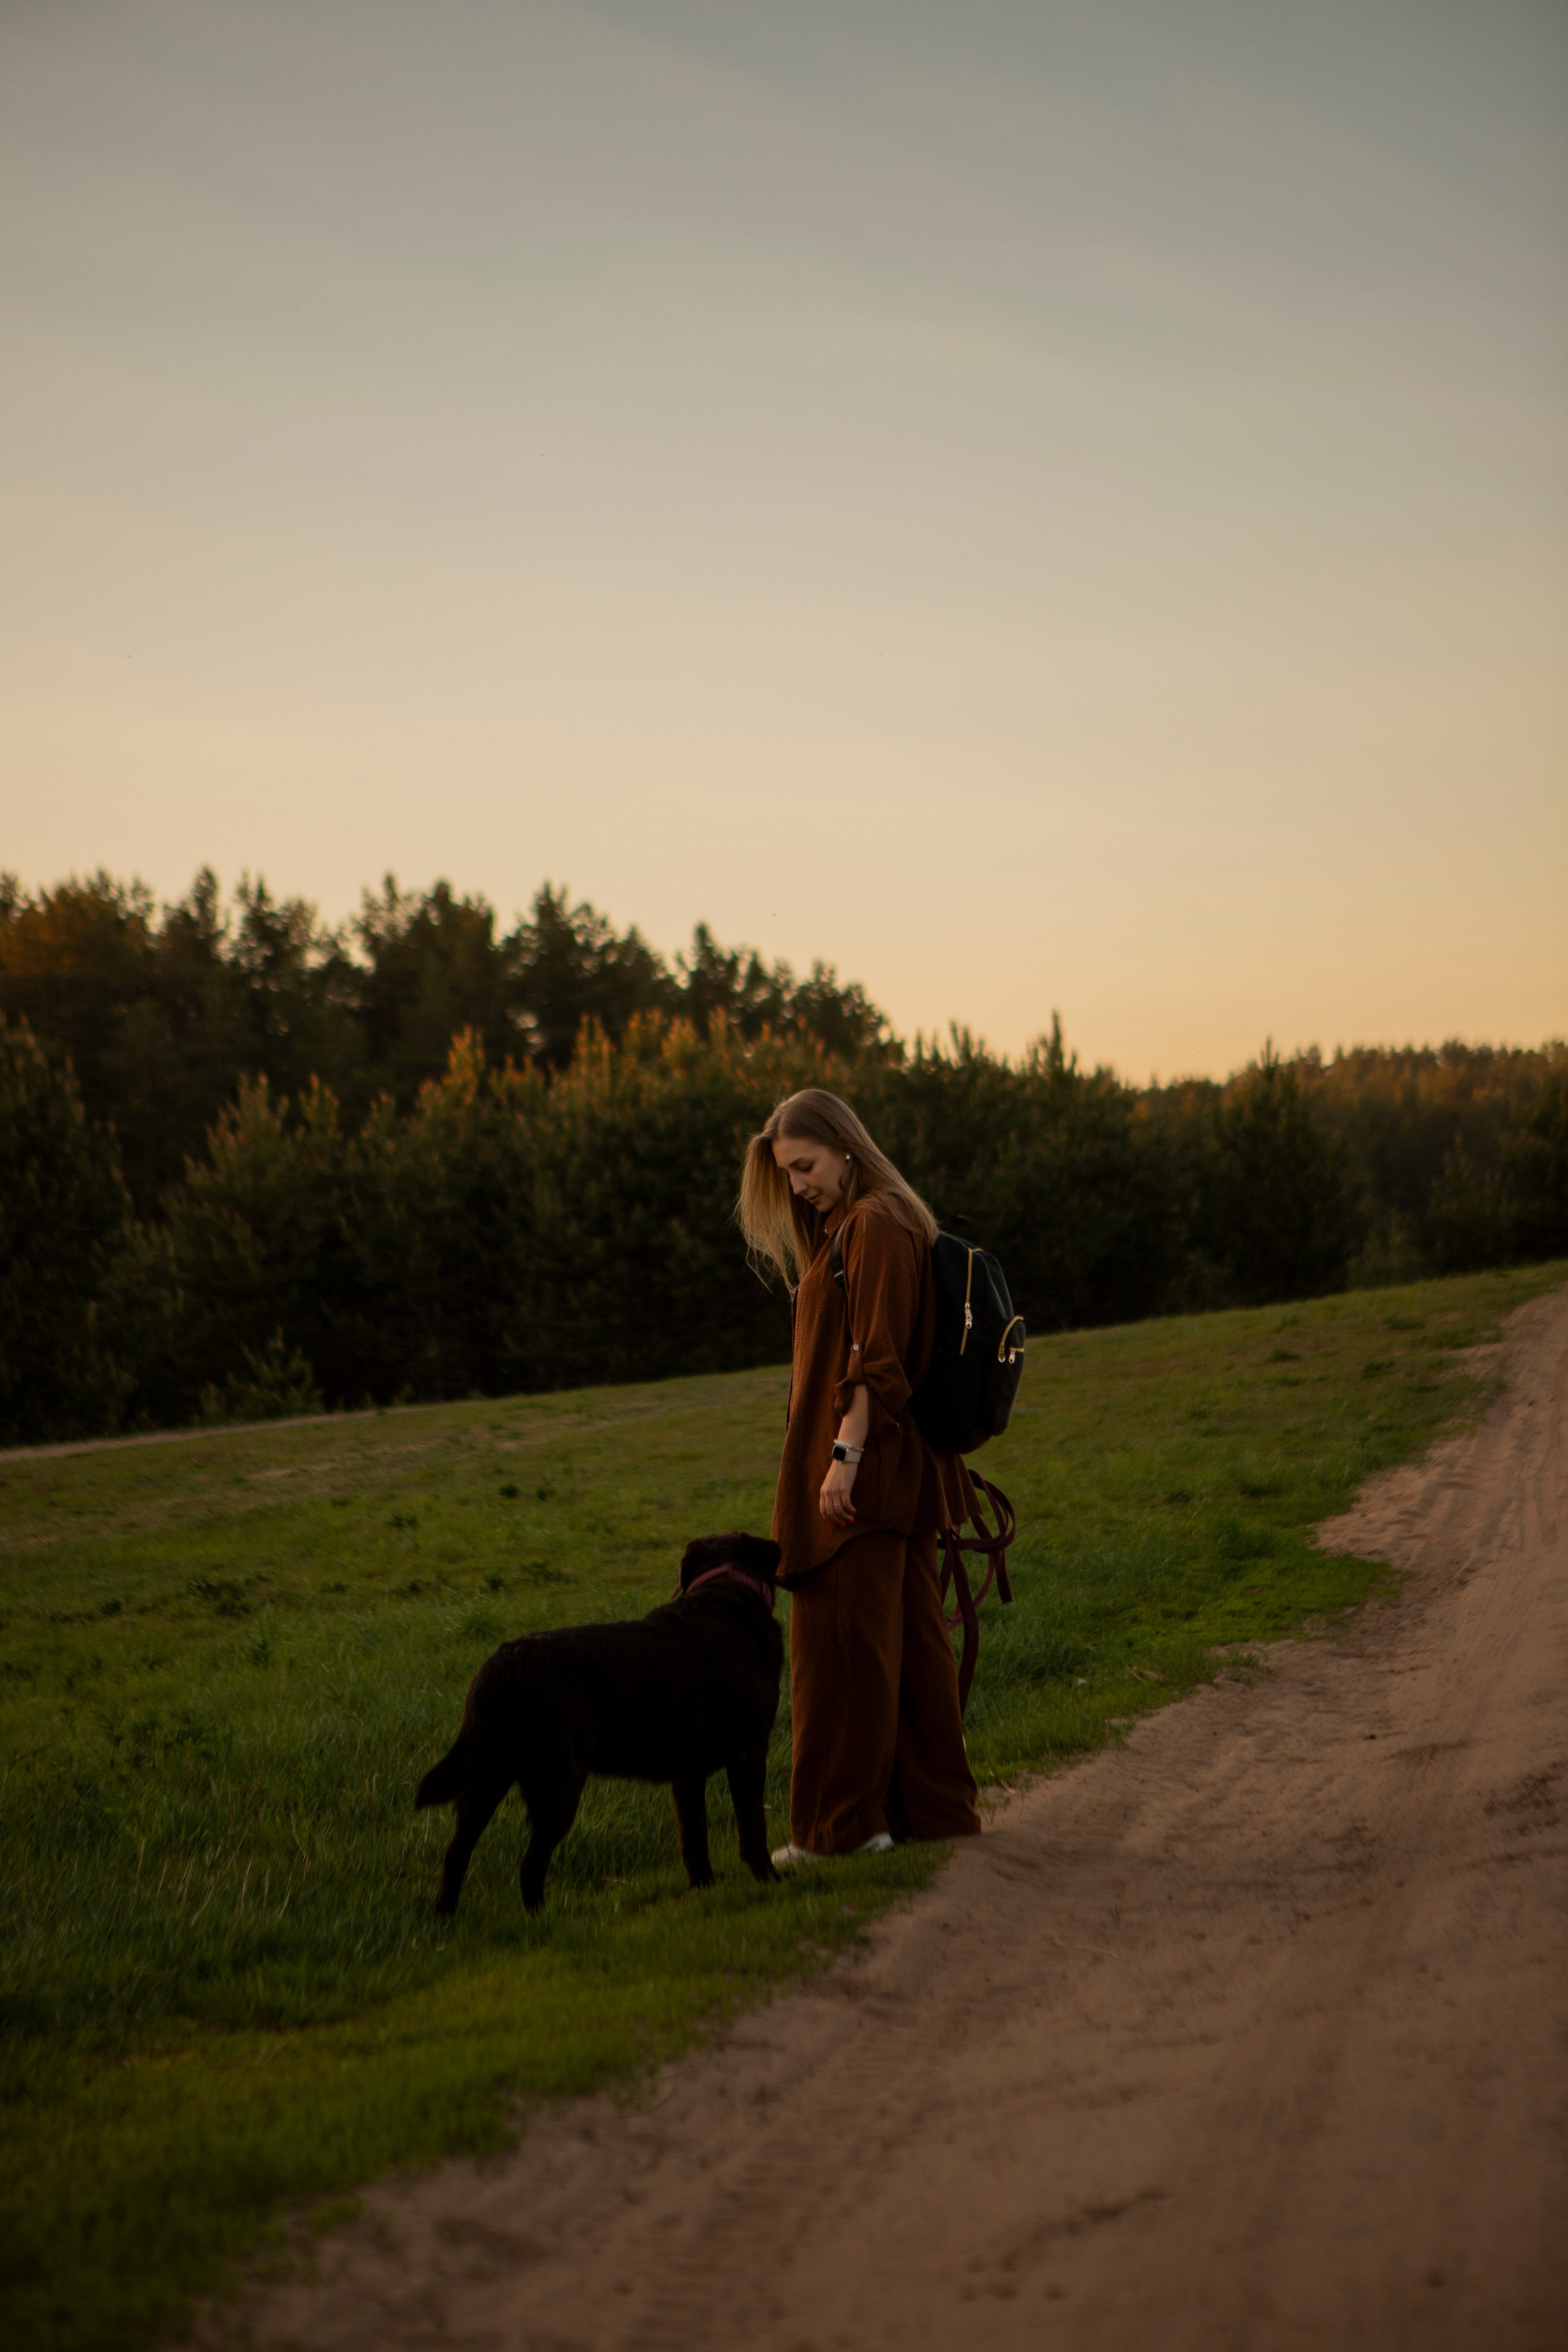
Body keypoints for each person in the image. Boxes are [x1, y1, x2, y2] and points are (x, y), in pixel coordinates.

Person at [737, 1088, 982, 1862]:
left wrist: (841, 1459)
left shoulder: (873, 1224)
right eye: (788, 1175)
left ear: (846, 1148)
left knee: (839, 1652)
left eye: (805, 1167)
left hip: (863, 1474)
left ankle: (839, 1831)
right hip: (900, 1475)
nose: (799, 1186)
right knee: (909, 1653)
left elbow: (875, 1361)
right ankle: (933, 1814)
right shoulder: (880, 1221)